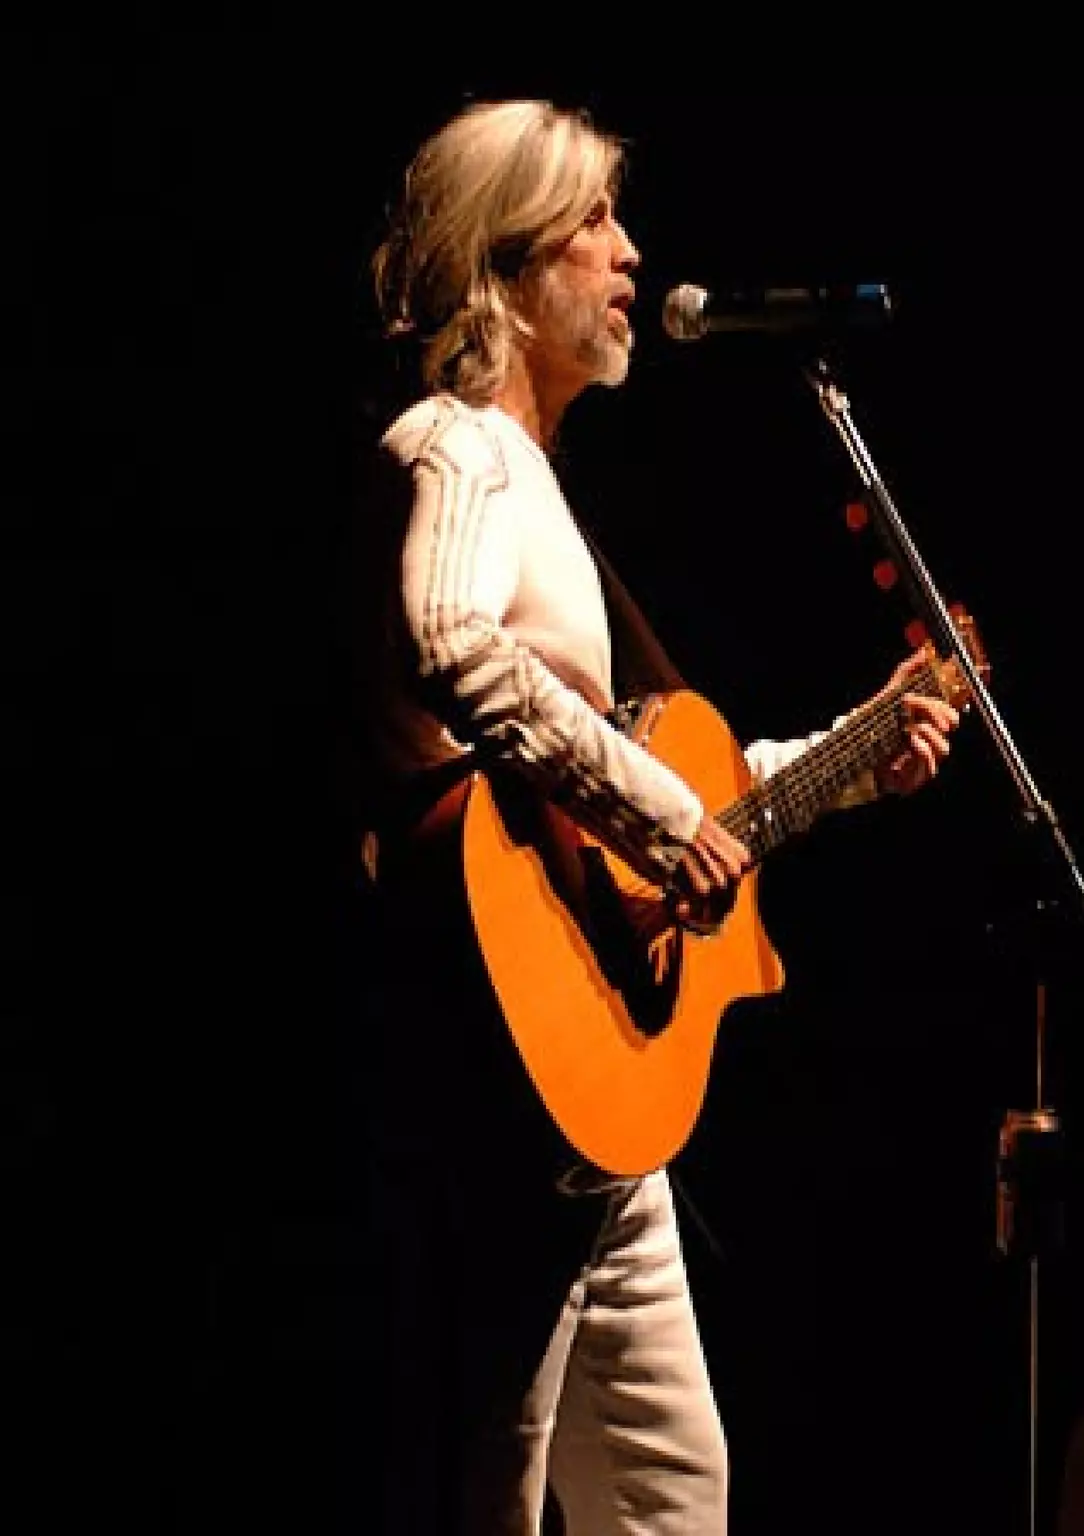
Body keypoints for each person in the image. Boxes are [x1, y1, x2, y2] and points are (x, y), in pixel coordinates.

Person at [345, 97, 961, 1535]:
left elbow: (670, 783)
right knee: (486, 1488)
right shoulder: (457, 448)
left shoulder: (543, 489)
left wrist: (856, 756)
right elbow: (446, 640)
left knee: (672, 1491)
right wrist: (650, 808)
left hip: (594, 1097)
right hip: (497, 1081)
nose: (630, 253)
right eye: (592, 221)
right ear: (505, 264)